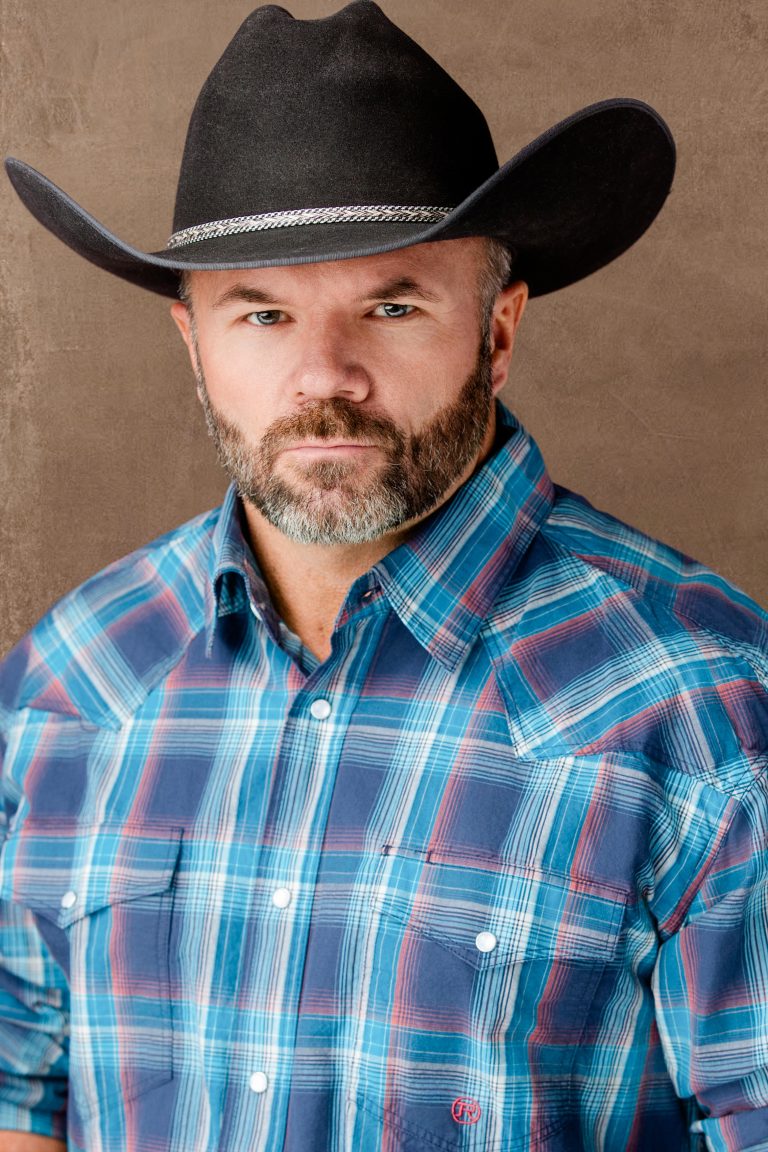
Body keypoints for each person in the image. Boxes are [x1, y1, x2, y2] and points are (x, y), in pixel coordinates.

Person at [1, 2, 766, 1149]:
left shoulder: (707, 709)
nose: (325, 376)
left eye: (393, 306)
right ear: (193, 344)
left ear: (497, 331)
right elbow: (19, 1100)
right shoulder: (69, 685)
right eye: (263, 313)